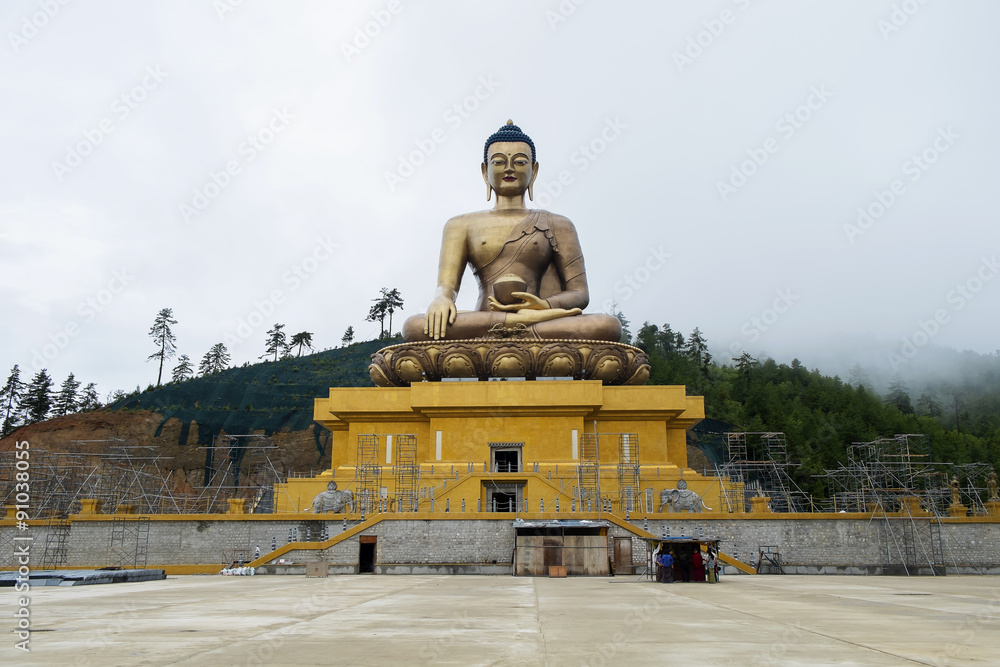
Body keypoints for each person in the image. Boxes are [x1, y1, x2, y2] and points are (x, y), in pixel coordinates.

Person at [402, 120, 622, 343]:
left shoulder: (558, 224)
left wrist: (543, 306)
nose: (509, 168)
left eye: (519, 162)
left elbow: (579, 294)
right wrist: (441, 300)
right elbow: (446, 289)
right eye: (498, 162)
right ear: (485, 171)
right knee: (415, 326)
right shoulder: (460, 225)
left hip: (539, 319)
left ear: (534, 171)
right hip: (487, 319)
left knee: (605, 326)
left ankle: (513, 327)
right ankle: (511, 325)